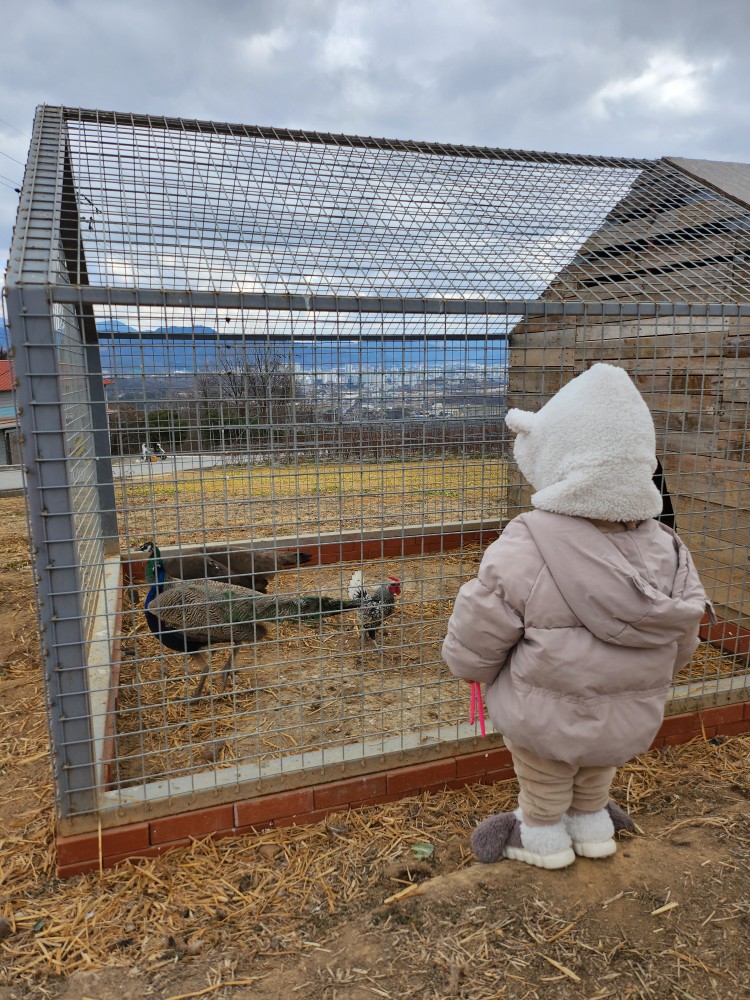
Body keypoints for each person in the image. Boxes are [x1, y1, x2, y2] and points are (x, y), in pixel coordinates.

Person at [441, 363, 713, 870]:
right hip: (628, 710)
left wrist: (470, 669)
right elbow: (684, 637)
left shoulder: (530, 540)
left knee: (545, 772)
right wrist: (645, 676)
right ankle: (591, 827)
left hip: (546, 710)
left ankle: (541, 838)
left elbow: (483, 620)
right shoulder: (667, 546)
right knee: (596, 762)